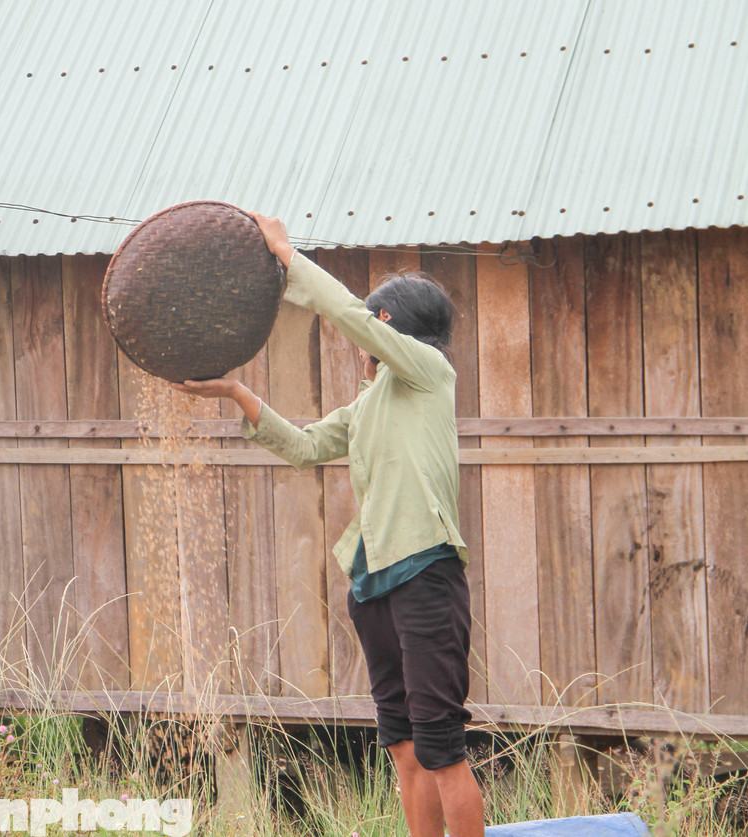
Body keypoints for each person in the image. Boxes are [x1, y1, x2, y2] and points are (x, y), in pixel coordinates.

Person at [171, 213, 484, 837]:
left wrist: (289, 257)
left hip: (425, 574)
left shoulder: (428, 374)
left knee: (441, 746)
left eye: (377, 325)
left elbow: (348, 316)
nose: (363, 339)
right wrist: (237, 394)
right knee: (402, 745)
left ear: (393, 329)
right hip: (374, 584)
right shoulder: (371, 403)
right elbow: (306, 446)